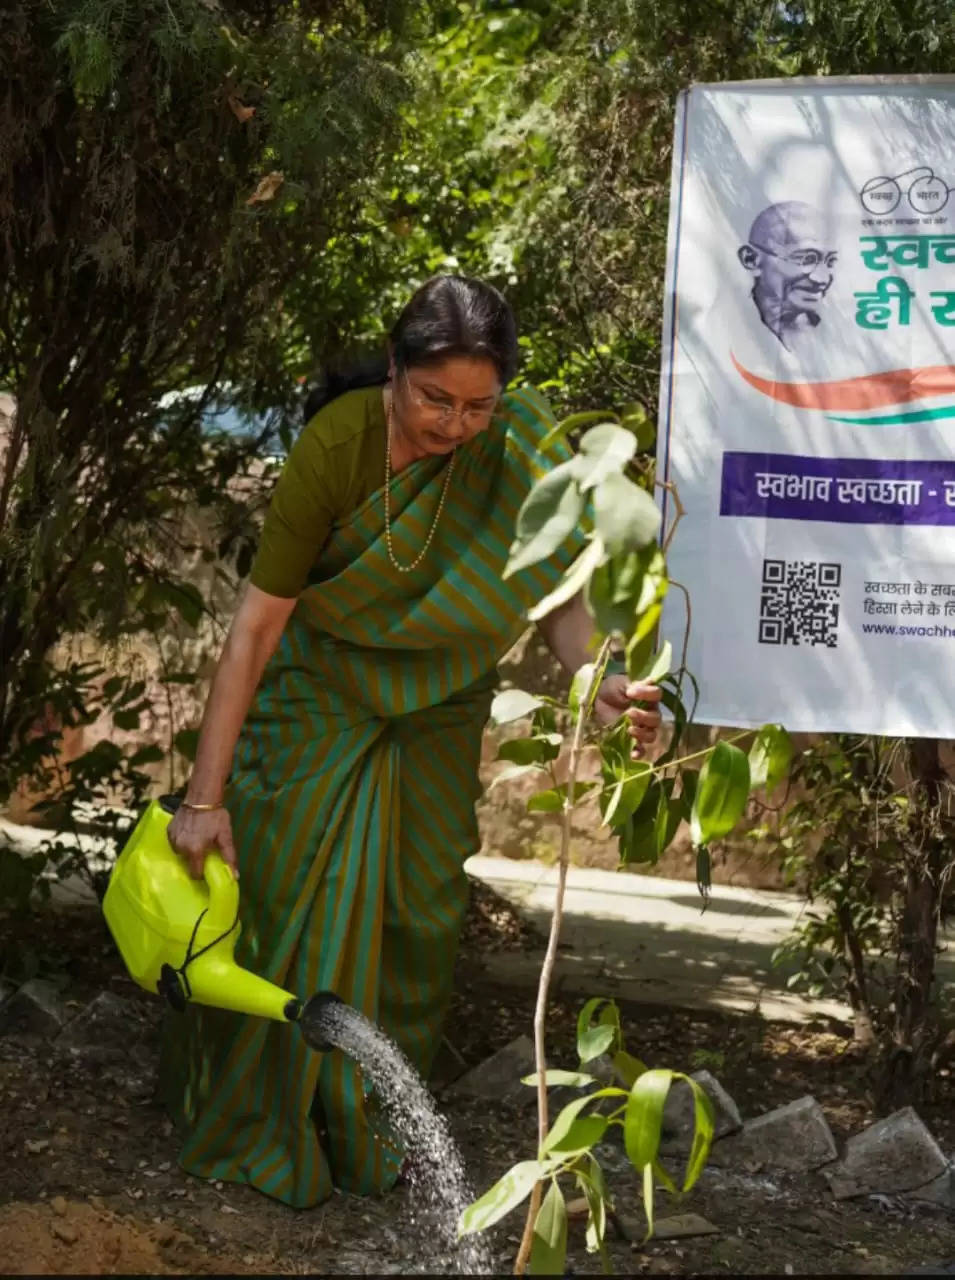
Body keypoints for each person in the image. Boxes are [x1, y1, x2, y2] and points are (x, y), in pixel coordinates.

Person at [160, 275, 662, 1208]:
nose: (457, 426)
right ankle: (258, 1118)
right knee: (284, 896)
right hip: (317, 690)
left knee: (420, 909)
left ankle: (372, 1123)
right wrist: (204, 798)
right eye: (436, 399)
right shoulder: (337, 445)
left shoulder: (521, 448)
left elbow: (555, 601)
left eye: (480, 405)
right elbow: (256, 632)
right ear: (394, 370)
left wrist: (602, 685)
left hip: (440, 698)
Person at [737, 202, 838, 350]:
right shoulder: (729, 322)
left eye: (830, 262)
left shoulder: (840, 335)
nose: (822, 279)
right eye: (807, 259)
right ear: (751, 259)